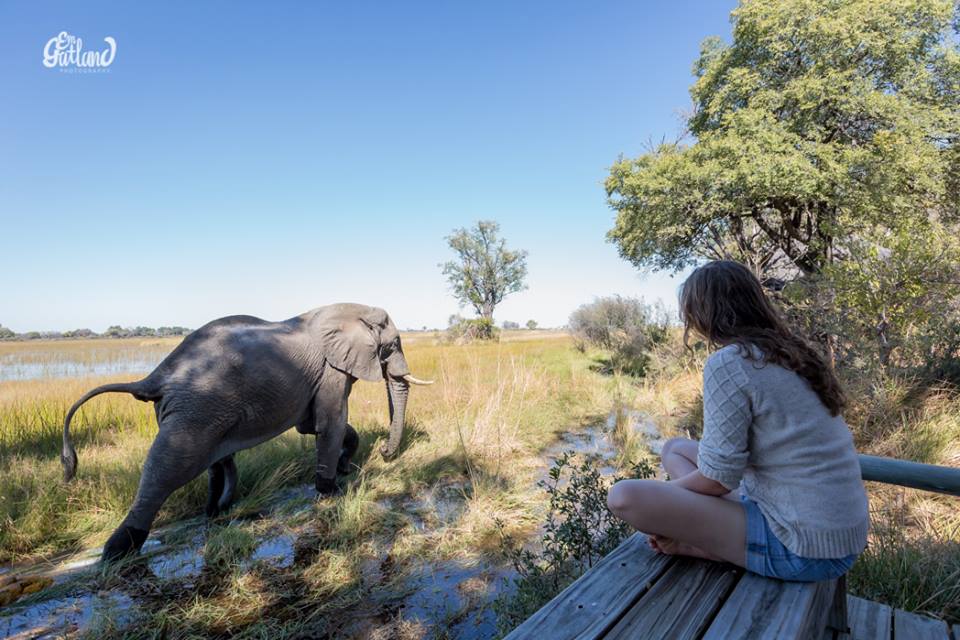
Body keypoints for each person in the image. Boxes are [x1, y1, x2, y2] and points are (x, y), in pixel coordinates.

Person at [606, 260, 869, 581]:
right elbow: (724, 469)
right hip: (839, 534)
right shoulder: (792, 353)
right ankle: (704, 540)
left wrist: (670, 499)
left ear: (702, 314)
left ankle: (703, 546)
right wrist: (676, 500)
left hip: (806, 547)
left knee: (624, 497)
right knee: (675, 449)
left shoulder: (730, 362)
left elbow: (718, 481)